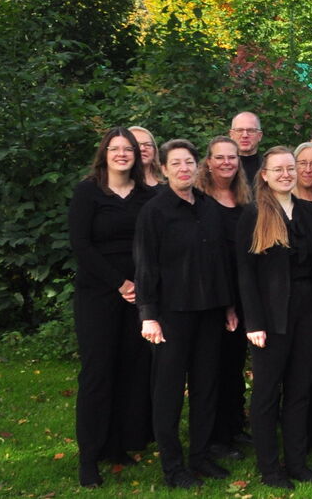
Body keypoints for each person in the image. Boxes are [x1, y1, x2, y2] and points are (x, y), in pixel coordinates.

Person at [236, 147, 312, 490]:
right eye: (278, 169)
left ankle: (296, 462)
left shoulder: (308, 213)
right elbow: (245, 274)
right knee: (267, 393)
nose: (286, 174)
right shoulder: (253, 215)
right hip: (270, 316)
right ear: (264, 175)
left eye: (290, 168)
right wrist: (253, 322)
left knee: (299, 389)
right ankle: (270, 468)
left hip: (308, 311)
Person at [134, 139, 233, 489]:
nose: (183, 168)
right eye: (175, 163)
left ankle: (201, 456)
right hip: (171, 315)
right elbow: (145, 265)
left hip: (209, 312)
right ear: (163, 169)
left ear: (197, 166)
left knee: (206, 386)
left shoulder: (208, 207)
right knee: (169, 392)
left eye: (189, 162)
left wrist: (228, 305)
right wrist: (148, 314)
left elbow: (221, 260)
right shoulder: (154, 211)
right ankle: (173, 467)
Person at [68, 128, 157, 487]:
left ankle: (116, 446)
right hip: (98, 294)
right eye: (115, 149)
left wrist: (143, 286)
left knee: (130, 370)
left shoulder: (146, 195)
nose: (122, 154)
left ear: (137, 155)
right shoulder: (88, 192)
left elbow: (154, 242)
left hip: (139, 295)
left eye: (128, 149)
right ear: (104, 154)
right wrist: (119, 283)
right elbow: (81, 245)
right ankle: (89, 457)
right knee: (98, 373)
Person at [195, 136, 255, 463]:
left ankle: (234, 425)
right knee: (213, 368)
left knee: (234, 365)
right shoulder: (199, 200)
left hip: (241, 292)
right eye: (219, 157)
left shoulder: (244, 199)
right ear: (208, 162)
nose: (227, 163)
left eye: (232, 157)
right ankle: (214, 437)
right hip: (213, 296)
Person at [230, 112, 264, 186]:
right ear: (231, 135)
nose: (245, 135)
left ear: (259, 136)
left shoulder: (269, 167)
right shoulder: (222, 167)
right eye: (239, 130)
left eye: (251, 130)